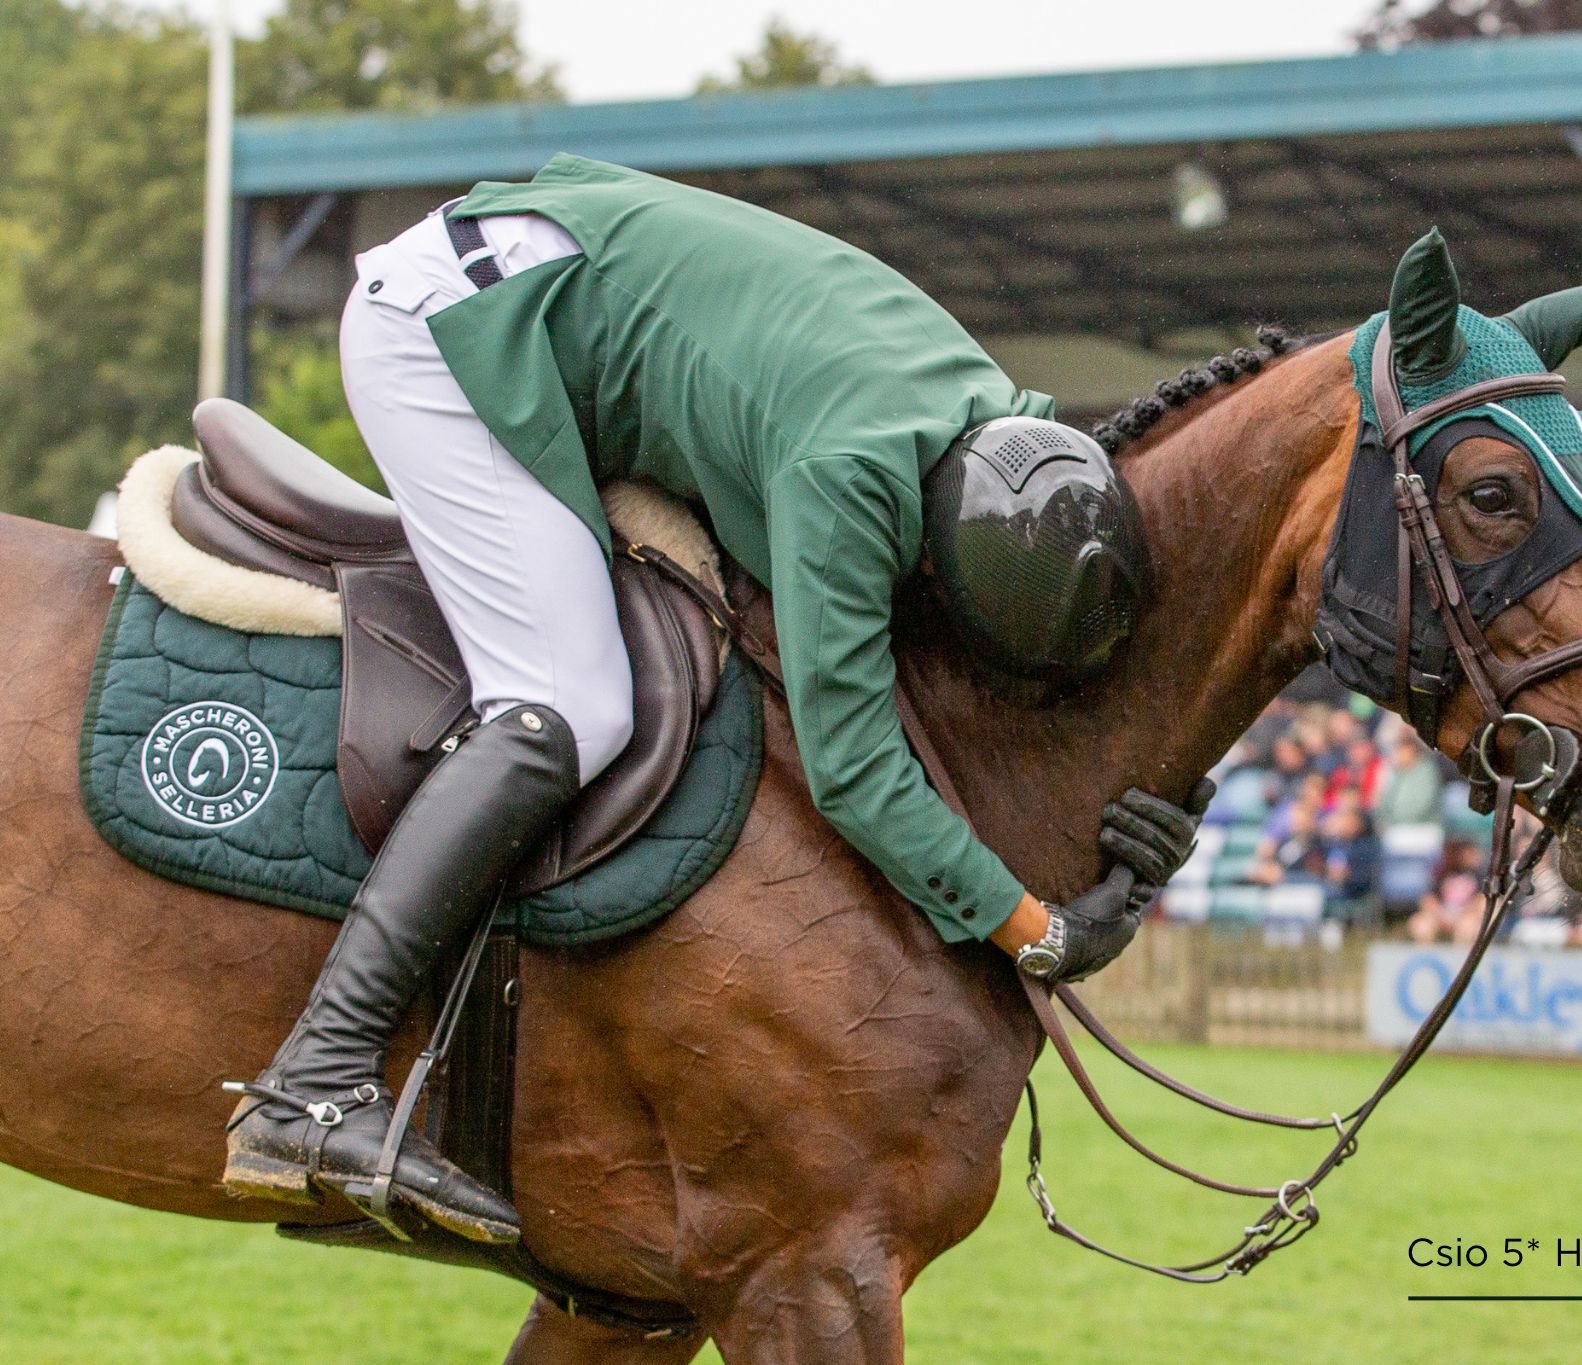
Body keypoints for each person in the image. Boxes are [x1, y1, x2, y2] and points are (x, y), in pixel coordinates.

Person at [221, 157, 1208, 1242]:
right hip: (452, 328)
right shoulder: (847, 479)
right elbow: (853, 771)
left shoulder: (1002, 420)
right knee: (569, 703)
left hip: (538, 272)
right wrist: (1034, 929)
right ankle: (312, 1081)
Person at [1408, 838, 1484, 945]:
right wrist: (1441, 916)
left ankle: (1460, 958)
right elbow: (1428, 899)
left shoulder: (1479, 875)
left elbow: (1480, 900)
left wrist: (1460, 916)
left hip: (1465, 916)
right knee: (1421, 924)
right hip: (1441, 915)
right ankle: (1427, 958)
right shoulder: (1441, 873)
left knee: (1468, 927)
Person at [1373, 724, 1444, 827]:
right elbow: (1384, 800)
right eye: (1398, 751)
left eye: (1403, 751)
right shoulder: (1394, 772)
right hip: (1395, 825)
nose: (1399, 755)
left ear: (1413, 750)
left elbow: (1425, 802)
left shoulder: (1427, 770)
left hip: (1424, 825)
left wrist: (1402, 820)